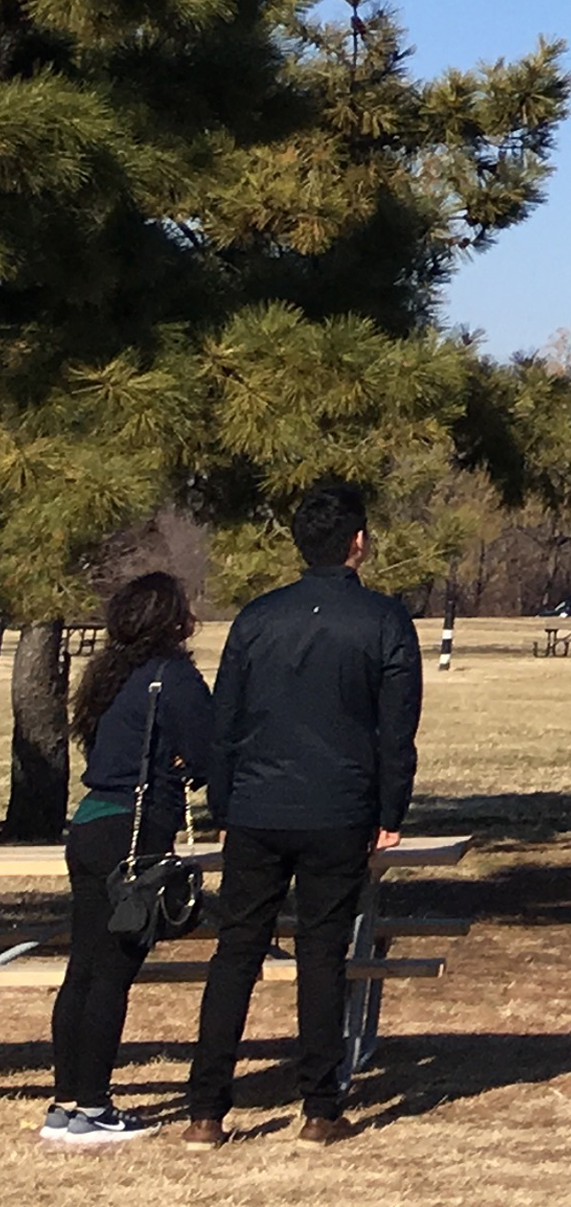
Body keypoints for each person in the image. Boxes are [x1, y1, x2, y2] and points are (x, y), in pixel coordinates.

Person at [180, 483, 423, 1146]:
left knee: (236, 954)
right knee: (322, 956)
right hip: (339, 807)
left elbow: (226, 720)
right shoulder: (383, 620)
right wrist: (391, 808)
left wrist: (223, 801)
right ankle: (319, 1107)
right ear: (358, 543)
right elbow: (396, 728)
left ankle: (205, 1110)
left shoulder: (258, 618)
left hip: (256, 806)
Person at [39, 573, 218, 1147]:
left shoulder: (107, 677)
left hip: (90, 823)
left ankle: (66, 1103)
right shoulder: (174, 677)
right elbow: (211, 753)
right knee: (112, 973)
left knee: (84, 968)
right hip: (134, 832)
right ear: (171, 620)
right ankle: (93, 1107)